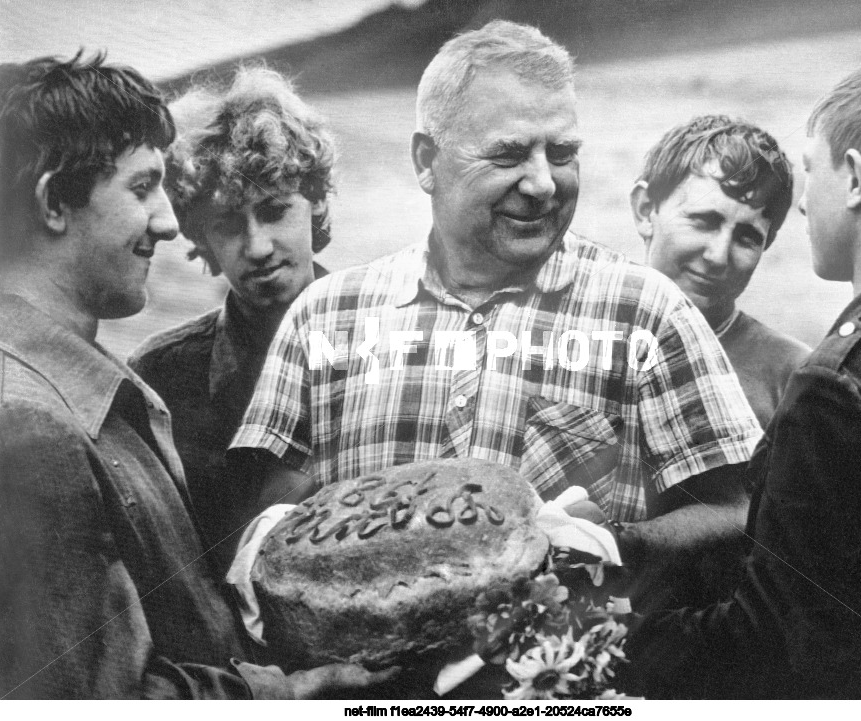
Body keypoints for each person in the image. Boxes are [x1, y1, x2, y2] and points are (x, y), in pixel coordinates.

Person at [230, 21, 764, 613]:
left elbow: (739, 512)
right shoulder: (325, 317)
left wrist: (608, 547)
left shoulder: (648, 312)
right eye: (509, 155)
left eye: (561, 154)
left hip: (559, 697)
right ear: (427, 161)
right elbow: (273, 527)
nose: (541, 183)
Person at [0, 52, 394, 698]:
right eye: (140, 188)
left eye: (275, 210)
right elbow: (102, 694)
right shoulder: (83, 404)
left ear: (316, 208)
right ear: (51, 203)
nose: (166, 220)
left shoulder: (115, 396)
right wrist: (287, 697)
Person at [623, 57, 861, 699]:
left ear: (854, 181)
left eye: (811, 170)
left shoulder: (835, 381)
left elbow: (775, 635)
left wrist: (610, 646)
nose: (804, 202)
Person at [129, 67, 333, 560]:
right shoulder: (160, 378)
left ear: (317, 205)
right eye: (227, 224)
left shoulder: (397, 332)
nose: (258, 247)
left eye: (275, 210)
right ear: (200, 240)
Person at [632, 115, 810, 430]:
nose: (718, 257)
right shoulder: (574, 340)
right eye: (703, 221)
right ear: (646, 210)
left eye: (747, 238)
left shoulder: (794, 380)